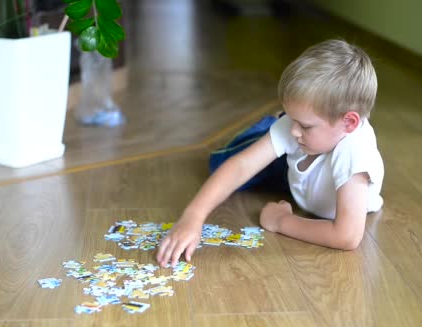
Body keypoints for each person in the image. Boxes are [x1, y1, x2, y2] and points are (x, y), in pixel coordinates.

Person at [156, 39, 384, 267]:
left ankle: (272, 129)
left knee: (270, 144)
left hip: (304, 178)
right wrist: (192, 217)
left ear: (349, 123)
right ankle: (272, 126)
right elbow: (240, 166)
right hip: (300, 173)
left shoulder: (354, 151)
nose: (294, 129)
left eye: (304, 125)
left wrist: (282, 221)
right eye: (291, 118)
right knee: (221, 163)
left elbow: (346, 237)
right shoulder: (299, 129)